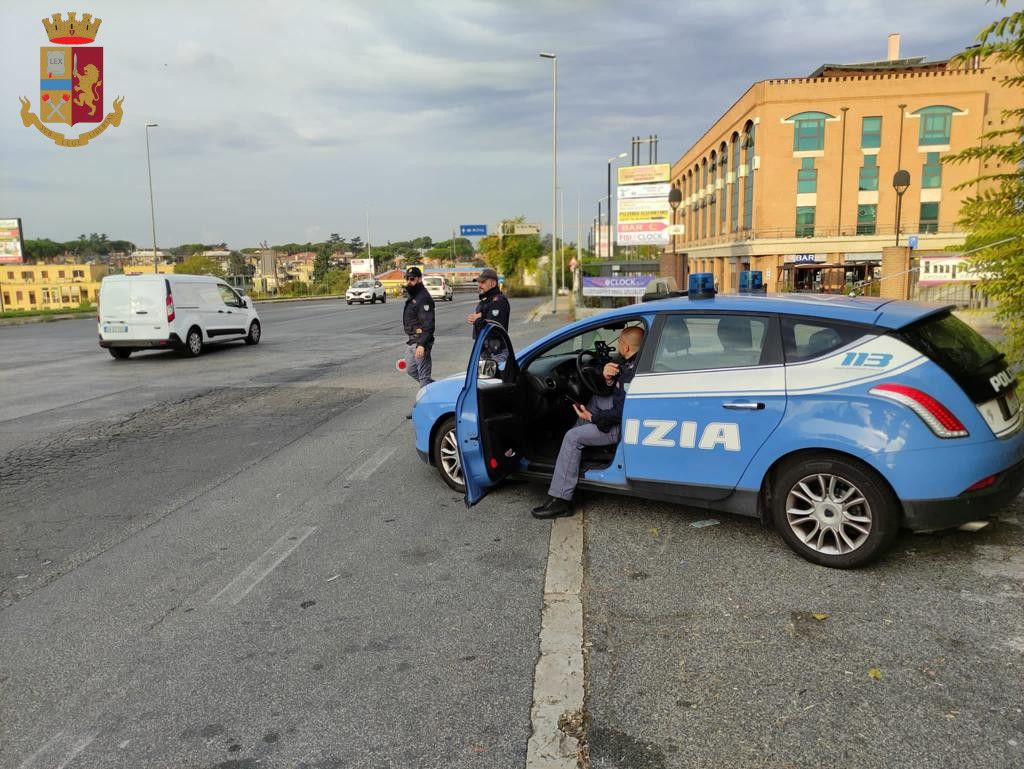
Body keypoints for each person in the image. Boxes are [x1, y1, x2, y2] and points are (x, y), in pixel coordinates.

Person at [532, 326, 645, 519]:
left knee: (572, 437)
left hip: (623, 426)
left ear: (625, 347)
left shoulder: (629, 373)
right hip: (626, 414)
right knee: (595, 400)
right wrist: (608, 379)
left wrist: (591, 418)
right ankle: (572, 458)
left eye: (618, 343)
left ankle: (561, 500)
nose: (617, 346)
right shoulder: (636, 363)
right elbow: (619, 396)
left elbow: (620, 413)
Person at [466, 268, 511, 364]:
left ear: (493, 283)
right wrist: (476, 318)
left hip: (496, 353)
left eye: (483, 282)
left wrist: (478, 319)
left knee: (495, 379)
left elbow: (494, 329)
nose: (479, 285)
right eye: (478, 282)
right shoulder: (486, 300)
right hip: (485, 351)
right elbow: (486, 317)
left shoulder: (498, 301)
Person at [402, 266, 435, 389]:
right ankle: (438, 388)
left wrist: (422, 344)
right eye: (407, 279)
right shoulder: (414, 295)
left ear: (419, 279)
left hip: (421, 341)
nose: (409, 282)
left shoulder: (423, 298)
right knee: (410, 369)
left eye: (412, 279)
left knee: (424, 378)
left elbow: (429, 324)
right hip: (412, 340)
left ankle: (426, 403)